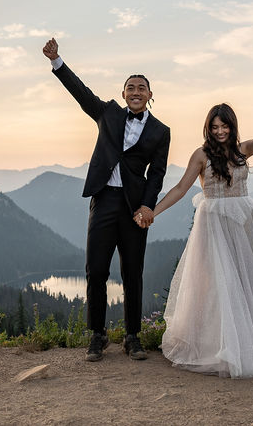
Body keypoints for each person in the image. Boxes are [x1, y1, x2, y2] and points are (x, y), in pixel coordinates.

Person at [147, 102, 253, 378]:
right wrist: (153, 212)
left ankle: (250, 345)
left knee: (247, 281)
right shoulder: (201, 155)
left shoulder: (243, 150)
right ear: (208, 128)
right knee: (216, 285)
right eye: (214, 127)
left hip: (245, 222)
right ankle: (219, 346)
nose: (220, 131)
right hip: (213, 225)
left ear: (232, 126)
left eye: (224, 126)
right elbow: (180, 188)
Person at [42, 38, 170, 362]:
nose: (136, 91)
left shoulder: (161, 131)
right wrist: (57, 61)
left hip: (134, 208)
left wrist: (148, 206)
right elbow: (81, 93)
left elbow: (157, 173)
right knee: (96, 270)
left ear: (150, 95)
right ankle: (97, 336)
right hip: (103, 201)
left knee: (133, 273)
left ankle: (132, 337)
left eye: (142, 88)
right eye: (131, 87)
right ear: (124, 93)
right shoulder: (108, 113)